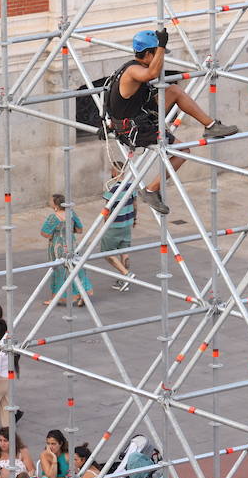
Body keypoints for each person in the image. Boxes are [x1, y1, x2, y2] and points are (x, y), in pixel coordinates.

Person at [107, 27, 239, 215]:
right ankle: (152, 190)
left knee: (174, 91)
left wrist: (159, 49)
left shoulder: (132, 67)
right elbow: (151, 74)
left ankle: (210, 126)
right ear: (148, 54)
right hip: (136, 130)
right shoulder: (133, 71)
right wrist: (161, 45)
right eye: (158, 55)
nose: (161, 61)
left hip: (138, 118)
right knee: (183, 152)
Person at [101, 164, 137, 290]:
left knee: (106, 253)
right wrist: (134, 219)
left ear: (115, 173)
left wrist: (105, 225)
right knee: (124, 252)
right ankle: (124, 281)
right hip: (127, 223)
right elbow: (135, 204)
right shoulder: (131, 186)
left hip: (114, 225)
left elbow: (107, 209)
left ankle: (127, 274)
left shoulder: (112, 190)